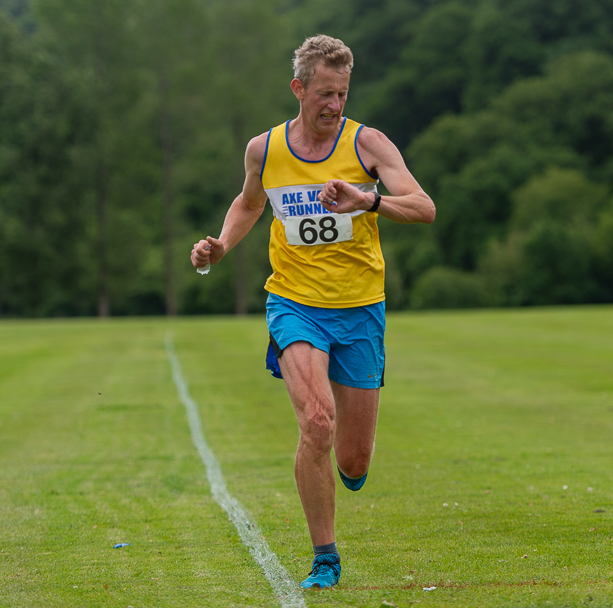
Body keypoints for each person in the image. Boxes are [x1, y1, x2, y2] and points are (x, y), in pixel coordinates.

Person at [189, 34, 435, 589]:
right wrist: (222, 245)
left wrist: (366, 199)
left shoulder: (368, 144)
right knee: (316, 422)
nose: (335, 105)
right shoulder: (265, 150)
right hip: (295, 304)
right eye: (325, 93)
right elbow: (251, 202)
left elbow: (424, 207)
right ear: (299, 89)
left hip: (361, 309)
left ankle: (347, 472)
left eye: (342, 93)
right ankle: (325, 556)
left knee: (353, 460)